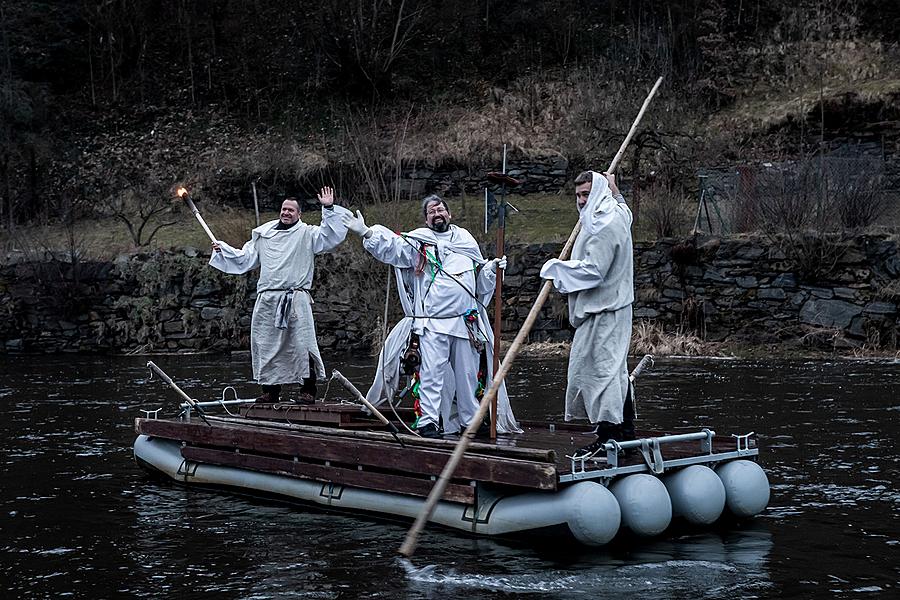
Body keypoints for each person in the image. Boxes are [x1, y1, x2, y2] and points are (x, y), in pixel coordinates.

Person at [342, 194, 520, 439]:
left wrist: (492, 269)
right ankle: (428, 422)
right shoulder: (419, 242)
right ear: (426, 219)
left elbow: (479, 284)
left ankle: (471, 420)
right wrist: (366, 233)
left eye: (441, 210)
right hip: (432, 324)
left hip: (465, 322)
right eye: (431, 212)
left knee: (468, 376)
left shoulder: (466, 241)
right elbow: (391, 248)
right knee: (431, 375)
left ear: (450, 214)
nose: (437, 214)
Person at [209, 188, 351, 404]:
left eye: (291, 210)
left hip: (295, 299)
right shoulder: (263, 235)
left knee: (303, 345)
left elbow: (330, 236)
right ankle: (270, 391)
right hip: (268, 300)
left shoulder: (307, 234)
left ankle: (308, 391)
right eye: (284, 209)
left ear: (299, 214)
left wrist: (329, 208)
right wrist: (223, 249)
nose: (286, 213)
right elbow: (244, 258)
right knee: (266, 346)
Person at [540, 171, 636, 455]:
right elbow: (626, 211)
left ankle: (610, 436)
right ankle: (625, 432)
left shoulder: (603, 225)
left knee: (601, 372)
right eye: (578, 195)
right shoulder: (613, 213)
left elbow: (594, 271)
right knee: (615, 371)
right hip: (610, 308)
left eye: (586, 194)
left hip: (604, 311)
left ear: (596, 194)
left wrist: (557, 270)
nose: (581, 201)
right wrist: (615, 189)